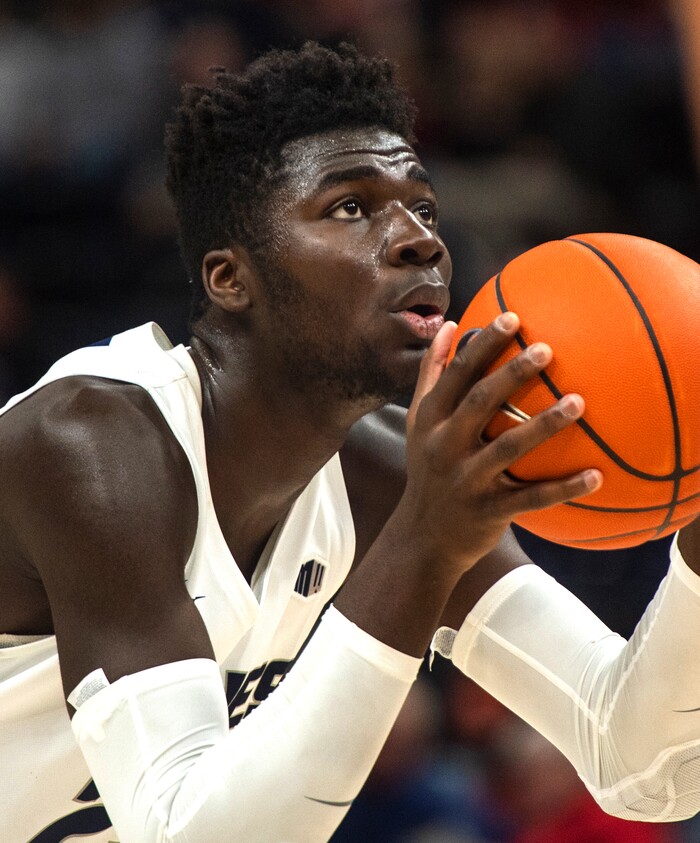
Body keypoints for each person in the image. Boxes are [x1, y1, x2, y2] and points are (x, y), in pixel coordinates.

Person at [2, 41, 700, 843]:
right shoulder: (92, 445)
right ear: (231, 278)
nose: (420, 242)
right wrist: (424, 544)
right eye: (350, 207)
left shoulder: (384, 473)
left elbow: (642, 764)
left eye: (424, 209)